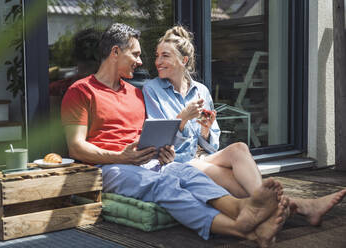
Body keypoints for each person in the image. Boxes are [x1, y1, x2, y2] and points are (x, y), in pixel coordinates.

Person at [61, 23, 288, 248]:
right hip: (109, 167)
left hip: (144, 161)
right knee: (164, 185)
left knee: (188, 173)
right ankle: (241, 228)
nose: (141, 62)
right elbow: (76, 148)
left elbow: (148, 135)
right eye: (136, 54)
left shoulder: (135, 94)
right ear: (115, 52)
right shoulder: (81, 91)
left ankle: (242, 211)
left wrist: (162, 151)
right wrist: (122, 157)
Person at [142, 25, 346, 226]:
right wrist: (183, 117)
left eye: (165, 56)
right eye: (157, 55)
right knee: (232, 180)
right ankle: (302, 206)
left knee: (239, 147)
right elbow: (159, 137)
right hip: (177, 162)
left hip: (200, 156)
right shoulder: (152, 89)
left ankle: (293, 208)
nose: (158, 61)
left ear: (183, 60)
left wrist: (205, 130)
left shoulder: (201, 91)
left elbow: (212, 142)